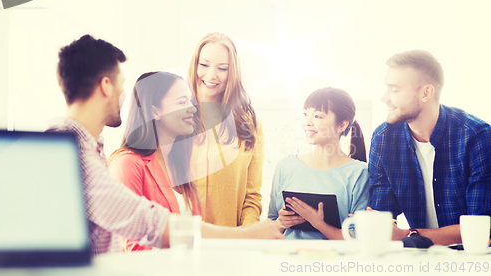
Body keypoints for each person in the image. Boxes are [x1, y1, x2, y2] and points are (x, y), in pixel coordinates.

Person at [49, 35, 283, 255]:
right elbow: (147, 224)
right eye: (122, 85)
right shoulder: (68, 156)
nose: (124, 94)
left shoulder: (85, 150)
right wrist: (246, 236)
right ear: (106, 86)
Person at [109, 71, 284, 251]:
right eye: (182, 102)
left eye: (190, 101)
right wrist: (246, 236)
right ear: (155, 111)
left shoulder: (180, 163)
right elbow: (134, 248)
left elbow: (195, 241)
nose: (192, 108)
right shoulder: (127, 164)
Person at [369, 50, 491, 245]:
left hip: (471, 258)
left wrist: (408, 235)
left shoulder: (477, 136)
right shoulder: (383, 139)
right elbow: (381, 216)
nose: (385, 98)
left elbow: (482, 228)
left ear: (426, 92)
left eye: (395, 90)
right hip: (417, 256)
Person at [268, 87, 369, 239]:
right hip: (287, 259)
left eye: (317, 116)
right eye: (305, 114)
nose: (307, 122)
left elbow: (358, 238)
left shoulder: (359, 173)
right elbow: (271, 224)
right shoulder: (286, 166)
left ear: (342, 125)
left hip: (336, 261)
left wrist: (319, 223)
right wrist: (281, 223)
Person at [187, 32, 263, 227]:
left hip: (231, 245)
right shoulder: (173, 119)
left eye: (222, 68)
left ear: (233, 72)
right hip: (182, 243)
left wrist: (244, 237)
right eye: (204, 65)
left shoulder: (250, 125)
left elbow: (252, 198)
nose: (211, 75)